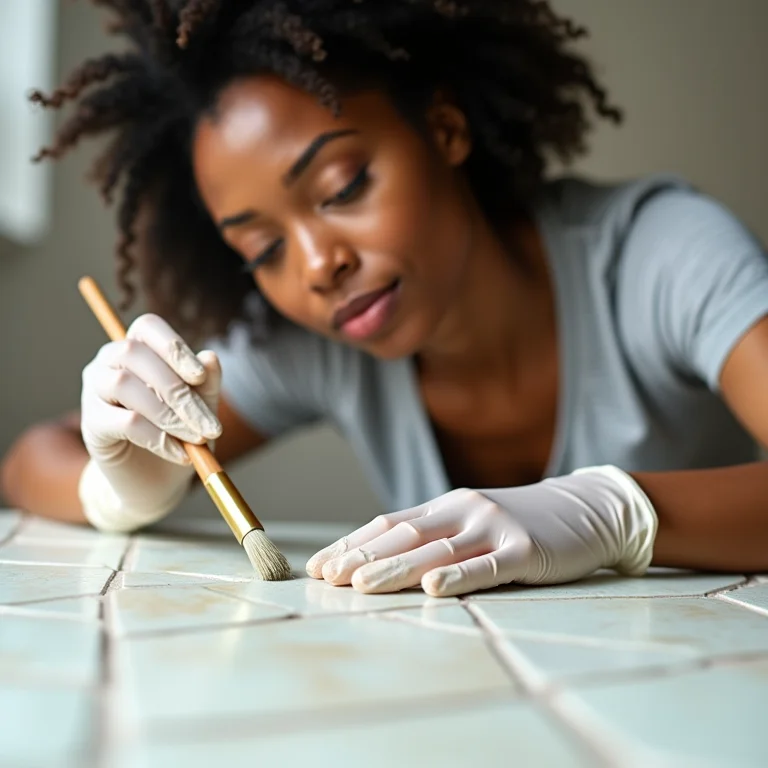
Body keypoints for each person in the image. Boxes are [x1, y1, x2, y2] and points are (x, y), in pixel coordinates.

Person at [2, 0, 768, 598]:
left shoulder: (661, 254)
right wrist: (119, 483)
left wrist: (622, 513)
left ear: (444, 127)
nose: (317, 265)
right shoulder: (319, 340)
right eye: (263, 249)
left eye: (343, 187)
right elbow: (29, 463)